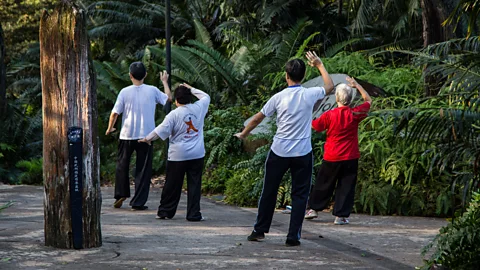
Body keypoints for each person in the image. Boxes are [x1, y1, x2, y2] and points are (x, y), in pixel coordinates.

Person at [235, 51, 334, 246]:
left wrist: (244, 133)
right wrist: (320, 65)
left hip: (279, 151)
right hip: (302, 153)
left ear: (286, 76)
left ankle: (259, 230)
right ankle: (293, 236)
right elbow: (330, 86)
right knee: (299, 195)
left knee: (269, 191)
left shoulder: (278, 97)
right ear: (304, 76)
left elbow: (257, 118)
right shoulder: (309, 93)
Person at [304, 76, 372, 224]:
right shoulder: (354, 114)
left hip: (332, 155)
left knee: (323, 183)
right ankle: (340, 216)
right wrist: (357, 85)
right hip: (350, 156)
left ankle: (313, 209)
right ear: (350, 98)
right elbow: (368, 101)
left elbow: (315, 126)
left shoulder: (329, 115)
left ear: (336, 98)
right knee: (346, 186)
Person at [139, 83, 210, 221]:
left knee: (172, 184)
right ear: (190, 98)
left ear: (176, 100)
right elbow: (205, 96)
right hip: (197, 154)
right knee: (194, 185)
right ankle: (193, 214)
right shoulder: (199, 107)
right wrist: (191, 88)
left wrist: (146, 139)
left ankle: (166, 211)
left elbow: (159, 130)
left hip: (178, 155)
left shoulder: (173, 114)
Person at [106, 62, 172, 211]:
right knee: (143, 168)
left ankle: (120, 193)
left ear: (130, 75)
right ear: (145, 75)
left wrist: (110, 128)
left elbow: (115, 113)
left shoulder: (124, 92)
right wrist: (164, 82)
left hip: (126, 134)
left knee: (122, 164)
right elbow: (168, 98)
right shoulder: (152, 90)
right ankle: (138, 202)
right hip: (146, 136)